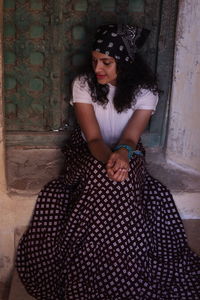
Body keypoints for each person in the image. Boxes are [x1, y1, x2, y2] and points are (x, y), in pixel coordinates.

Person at [16, 24, 200, 300]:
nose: (97, 68)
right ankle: (89, 263)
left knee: (122, 182)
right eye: (94, 61)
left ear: (124, 63)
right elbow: (92, 140)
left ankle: (123, 261)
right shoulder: (83, 84)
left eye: (106, 62)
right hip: (88, 149)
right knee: (101, 176)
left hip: (129, 151)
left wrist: (122, 157)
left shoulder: (146, 91)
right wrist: (110, 161)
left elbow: (130, 136)